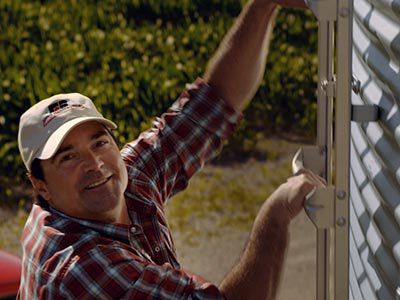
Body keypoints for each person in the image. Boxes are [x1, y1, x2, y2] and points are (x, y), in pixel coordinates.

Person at [17, 0, 324, 299]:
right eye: (68, 157)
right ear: (40, 185)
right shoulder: (84, 271)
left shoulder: (126, 178)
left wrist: (262, 6)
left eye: (99, 142)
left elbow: (211, 104)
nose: (95, 164)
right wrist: (275, 214)